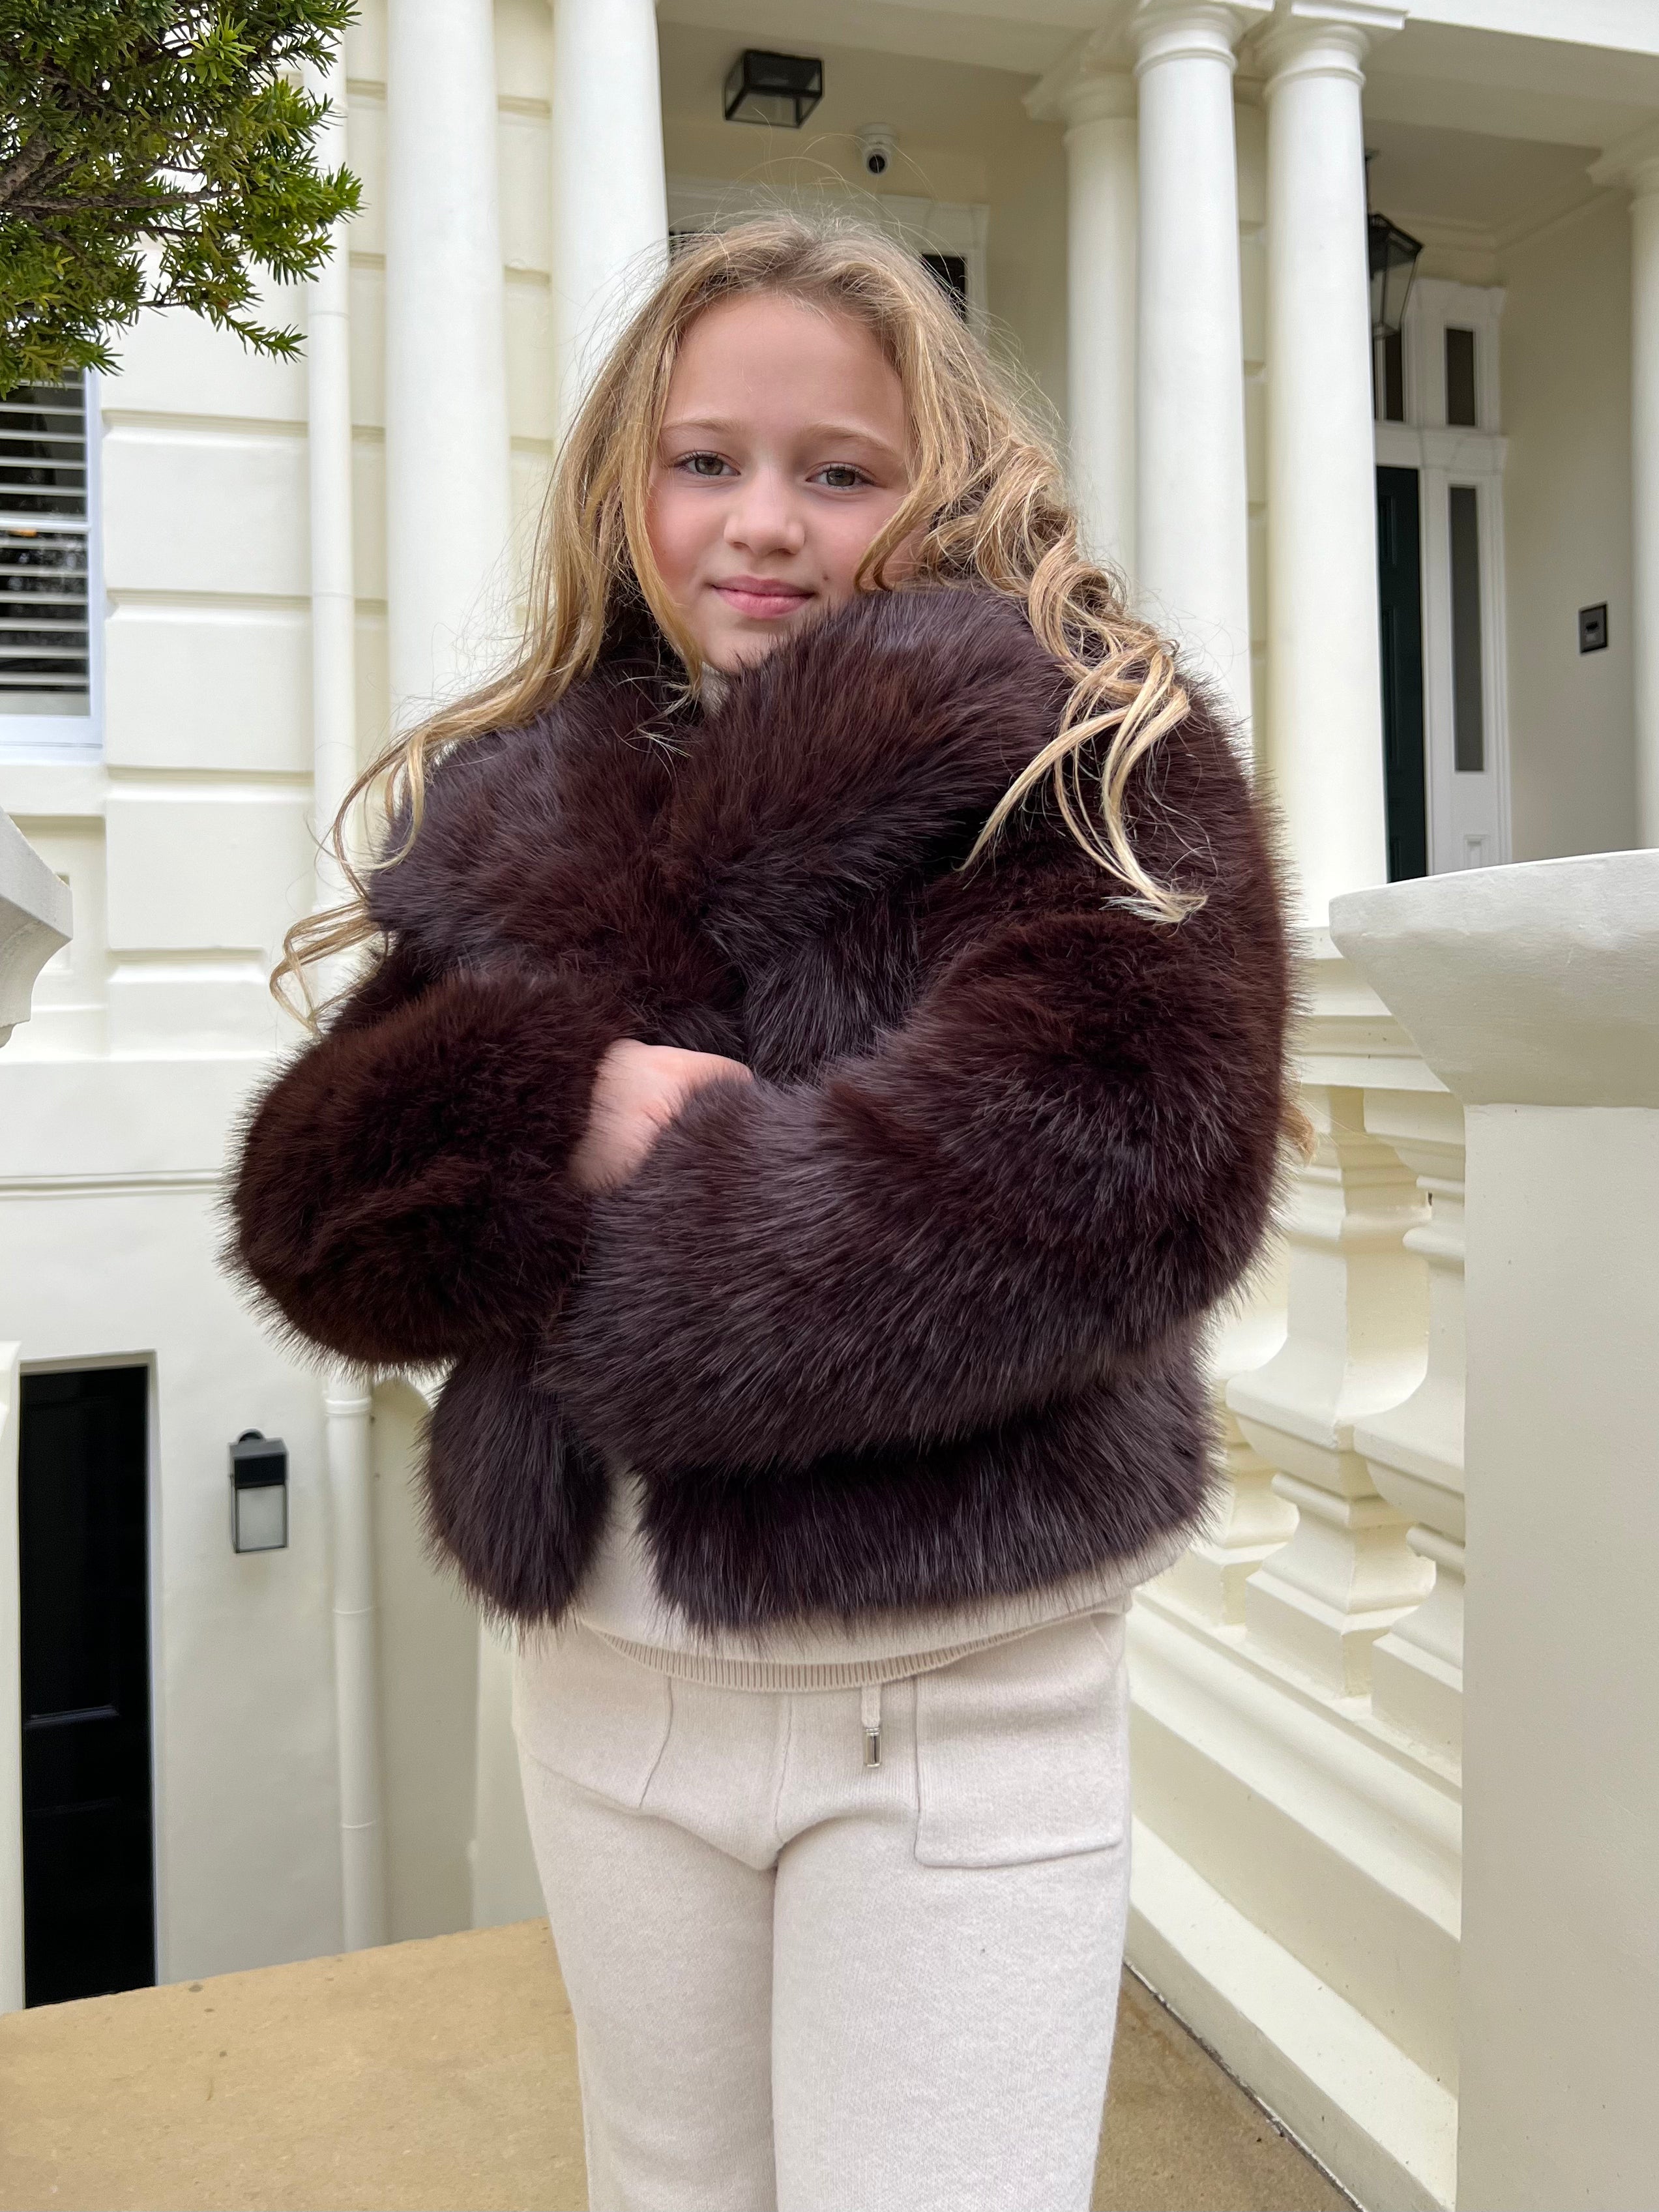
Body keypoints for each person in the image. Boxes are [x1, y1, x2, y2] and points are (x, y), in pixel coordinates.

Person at [229, 216, 1292, 2212]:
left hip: (955, 1698)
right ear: (625, 482)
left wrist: (620, 1253)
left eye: (839, 470)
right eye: (705, 459)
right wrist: (563, 1100)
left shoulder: (1079, 745)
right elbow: (313, 1213)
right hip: (607, 1688)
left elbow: (1122, 1158)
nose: (763, 523)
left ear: (936, 483)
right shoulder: (532, 791)